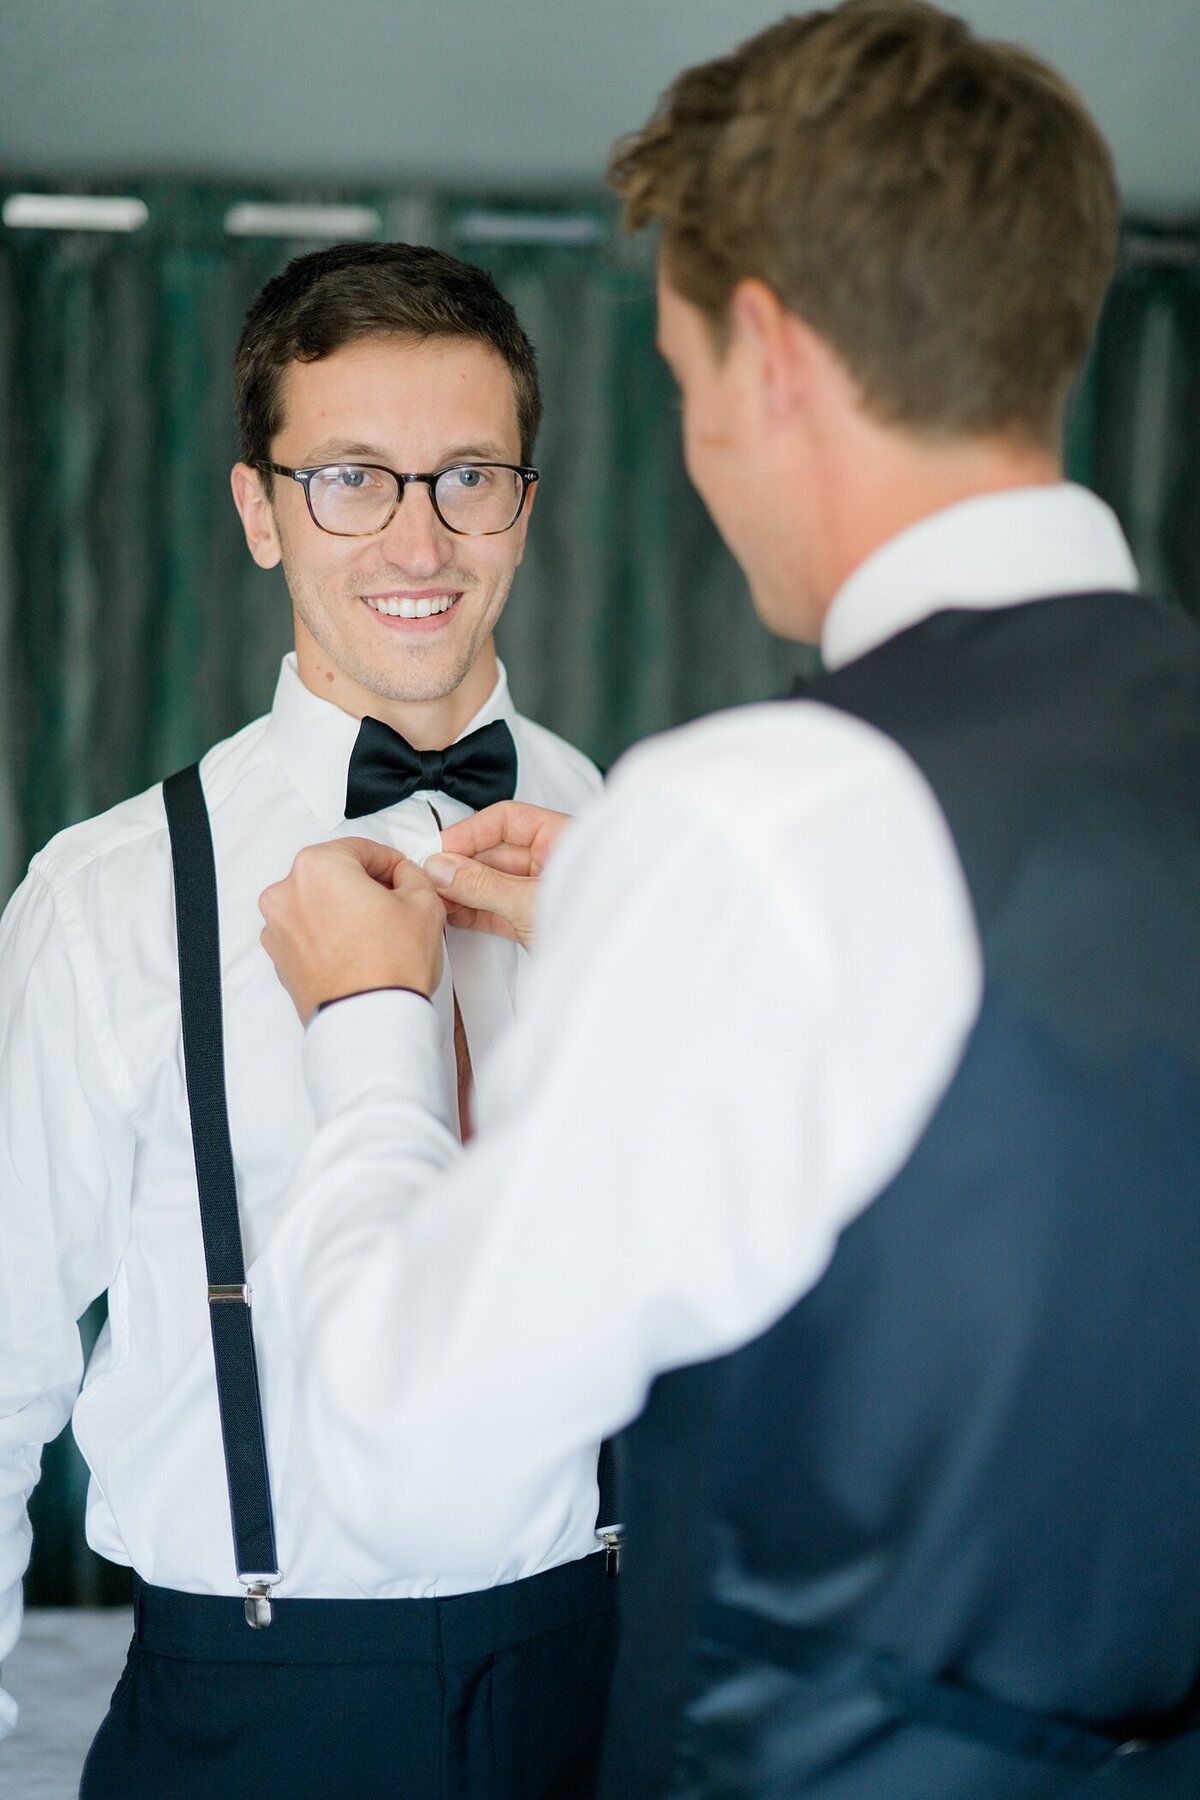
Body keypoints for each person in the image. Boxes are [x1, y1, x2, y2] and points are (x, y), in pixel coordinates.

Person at [256, 5, 1200, 1797]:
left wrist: (373, 1027)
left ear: (763, 354)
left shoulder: (764, 822)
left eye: (685, 382)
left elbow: (411, 1450)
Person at [0, 241, 616, 1799]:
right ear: (259, 511)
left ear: (525, 507)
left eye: (467, 475)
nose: (418, 536)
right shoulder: (109, 896)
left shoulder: (633, 840)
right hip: (253, 1703)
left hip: (605, 1679)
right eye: (352, 479)